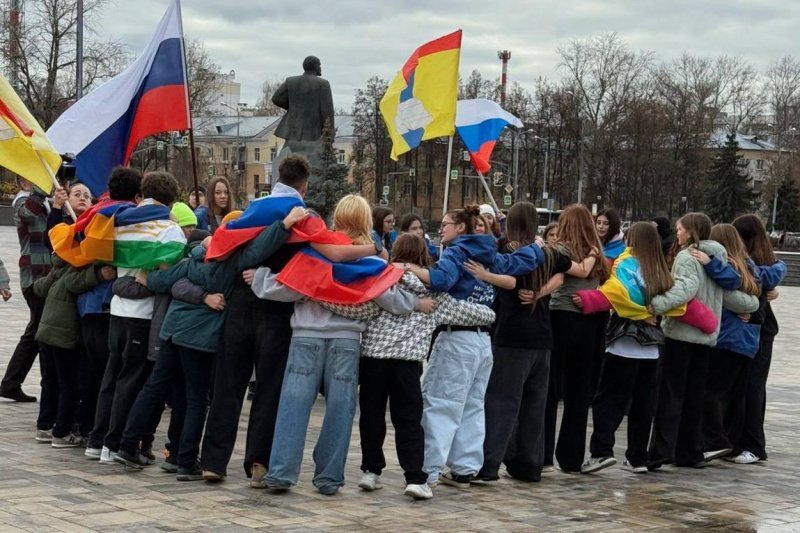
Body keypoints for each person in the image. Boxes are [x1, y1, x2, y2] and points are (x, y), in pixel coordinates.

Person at [199, 155, 382, 487]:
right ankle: (258, 463)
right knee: (268, 389)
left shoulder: (253, 210)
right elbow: (335, 255)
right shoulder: (303, 217)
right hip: (276, 309)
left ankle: (213, 461)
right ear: (305, 185)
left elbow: (222, 247)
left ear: (276, 178)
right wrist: (375, 249)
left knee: (227, 385)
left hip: (239, 303)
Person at [249, 194, 431, 496]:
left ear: (337, 219)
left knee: (293, 405)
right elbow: (390, 299)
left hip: (306, 335)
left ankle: (281, 472)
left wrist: (260, 278)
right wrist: (416, 303)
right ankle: (329, 478)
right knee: (340, 410)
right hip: (346, 340)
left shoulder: (316, 252)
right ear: (365, 222)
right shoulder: (371, 261)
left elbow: (286, 288)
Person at [113, 206, 309, 481]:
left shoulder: (192, 258)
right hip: (199, 338)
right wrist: (285, 224)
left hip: (171, 332)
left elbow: (162, 281)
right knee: (197, 400)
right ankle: (187, 462)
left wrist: (145, 277)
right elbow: (258, 250)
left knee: (154, 388)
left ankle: (128, 445)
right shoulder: (231, 263)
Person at [322, 233, 496, 500]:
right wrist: (489, 310)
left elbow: (355, 309)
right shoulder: (435, 294)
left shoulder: (380, 283)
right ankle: (414, 477)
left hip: (373, 360)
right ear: (424, 257)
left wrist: (321, 297)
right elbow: (481, 314)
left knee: (372, 417)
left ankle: (371, 471)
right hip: (408, 364)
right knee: (408, 421)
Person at [402, 205, 544, 488]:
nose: (441, 229)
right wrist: (539, 248)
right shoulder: (490, 253)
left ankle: (427, 470)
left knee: (441, 403)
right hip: (482, 341)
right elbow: (523, 261)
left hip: (457, 338)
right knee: (472, 405)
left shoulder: (457, 251)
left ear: (461, 228)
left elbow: (442, 280)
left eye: (446, 224)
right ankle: (465, 467)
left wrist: (410, 268)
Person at [465, 202, 570, 483]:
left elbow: (507, 279)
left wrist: (533, 292)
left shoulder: (505, 251)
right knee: (534, 404)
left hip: (512, 334)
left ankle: (488, 465)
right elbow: (566, 270)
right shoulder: (546, 252)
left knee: (501, 401)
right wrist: (541, 292)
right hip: (542, 336)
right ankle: (529, 465)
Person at [647, 213, 757, 469]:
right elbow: (727, 293)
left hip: (681, 333)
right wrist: (751, 304)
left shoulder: (687, 256)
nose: (677, 233)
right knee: (695, 396)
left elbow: (686, 289)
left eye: (680, 229)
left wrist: (655, 305)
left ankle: (661, 451)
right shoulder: (718, 257)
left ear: (692, 232)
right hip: (707, 336)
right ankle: (691, 452)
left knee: (671, 394)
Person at [577, 223, 674, 474]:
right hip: (651, 347)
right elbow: (675, 300)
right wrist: (651, 312)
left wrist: (639, 313)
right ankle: (637, 456)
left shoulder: (626, 263)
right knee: (643, 405)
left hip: (624, 341)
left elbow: (617, 294)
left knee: (608, 400)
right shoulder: (661, 269)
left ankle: (601, 451)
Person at [545, 204, 608, 474]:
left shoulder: (560, 249)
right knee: (579, 391)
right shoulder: (597, 253)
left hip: (562, 316)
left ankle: (544, 453)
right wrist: (594, 254)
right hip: (590, 320)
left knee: (550, 388)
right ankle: (571, 456)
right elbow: (589, 274)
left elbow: (576, 273)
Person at [694, 224, 762, 463]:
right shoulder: (747, 264)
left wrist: (709, 264)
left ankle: (715, 440)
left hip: (727, 338)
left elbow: (726, 290)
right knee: (734, 395)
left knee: (710, 391)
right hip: (745, 341)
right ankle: (731, 443)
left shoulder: (727, 266)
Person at [729, 214, 786, 464]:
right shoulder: (759, 266)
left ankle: (753, 445)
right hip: (750, 329)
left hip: (760, 330)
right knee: (742, 386)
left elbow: (762, 275)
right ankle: (737, 441)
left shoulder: (756, 266)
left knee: (753, 386)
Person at [0, 179, 52, 402]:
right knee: (38, 331)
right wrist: (43, 188)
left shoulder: (46, 202)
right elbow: (29, 214)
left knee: (36, 330)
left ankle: (11, 383)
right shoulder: (22, 200)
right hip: (34, 276)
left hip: (46, 275)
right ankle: (12, 382)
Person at [271, 55, 335, 144]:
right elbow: (327, 112)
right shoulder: (323, 84)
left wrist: (293, 107)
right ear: (315, 67)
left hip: (293, 131)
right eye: (319, 66)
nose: (320, 68)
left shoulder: (291, 81)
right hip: (314, 132)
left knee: (288, 155)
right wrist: (330, 134)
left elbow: (276, 98)